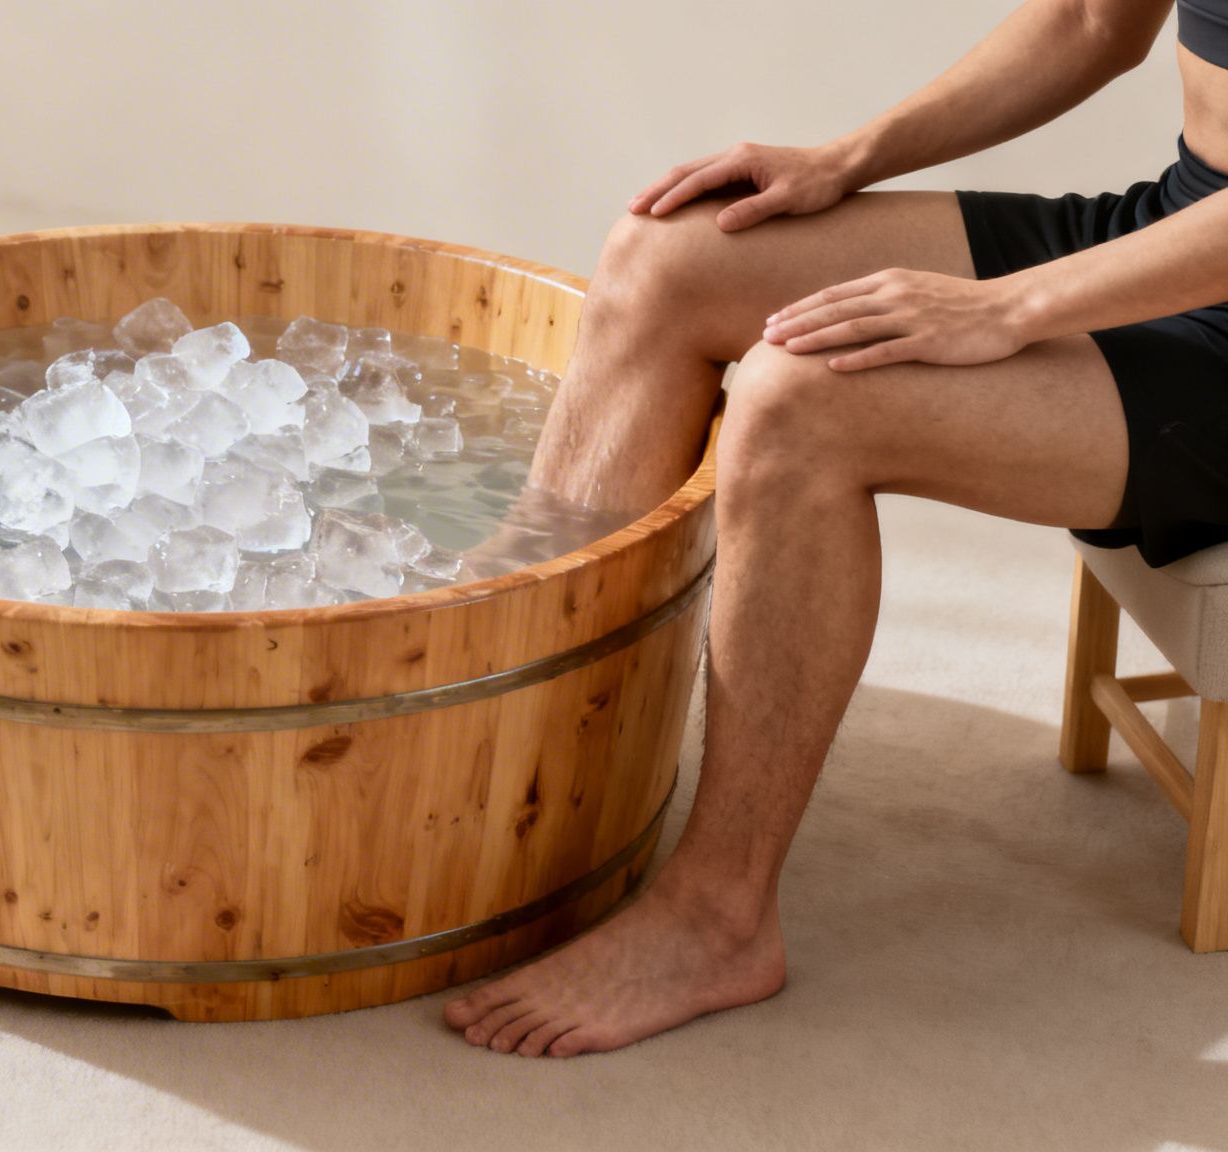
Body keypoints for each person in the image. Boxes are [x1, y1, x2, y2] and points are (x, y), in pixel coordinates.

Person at [442, 0, 1228, 1058]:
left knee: (801, 401)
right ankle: (501, 738)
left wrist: (1004, 310)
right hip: (1177, 228)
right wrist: (842, 159)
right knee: (667, 255)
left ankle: (717, 919)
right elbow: (1090, 21)